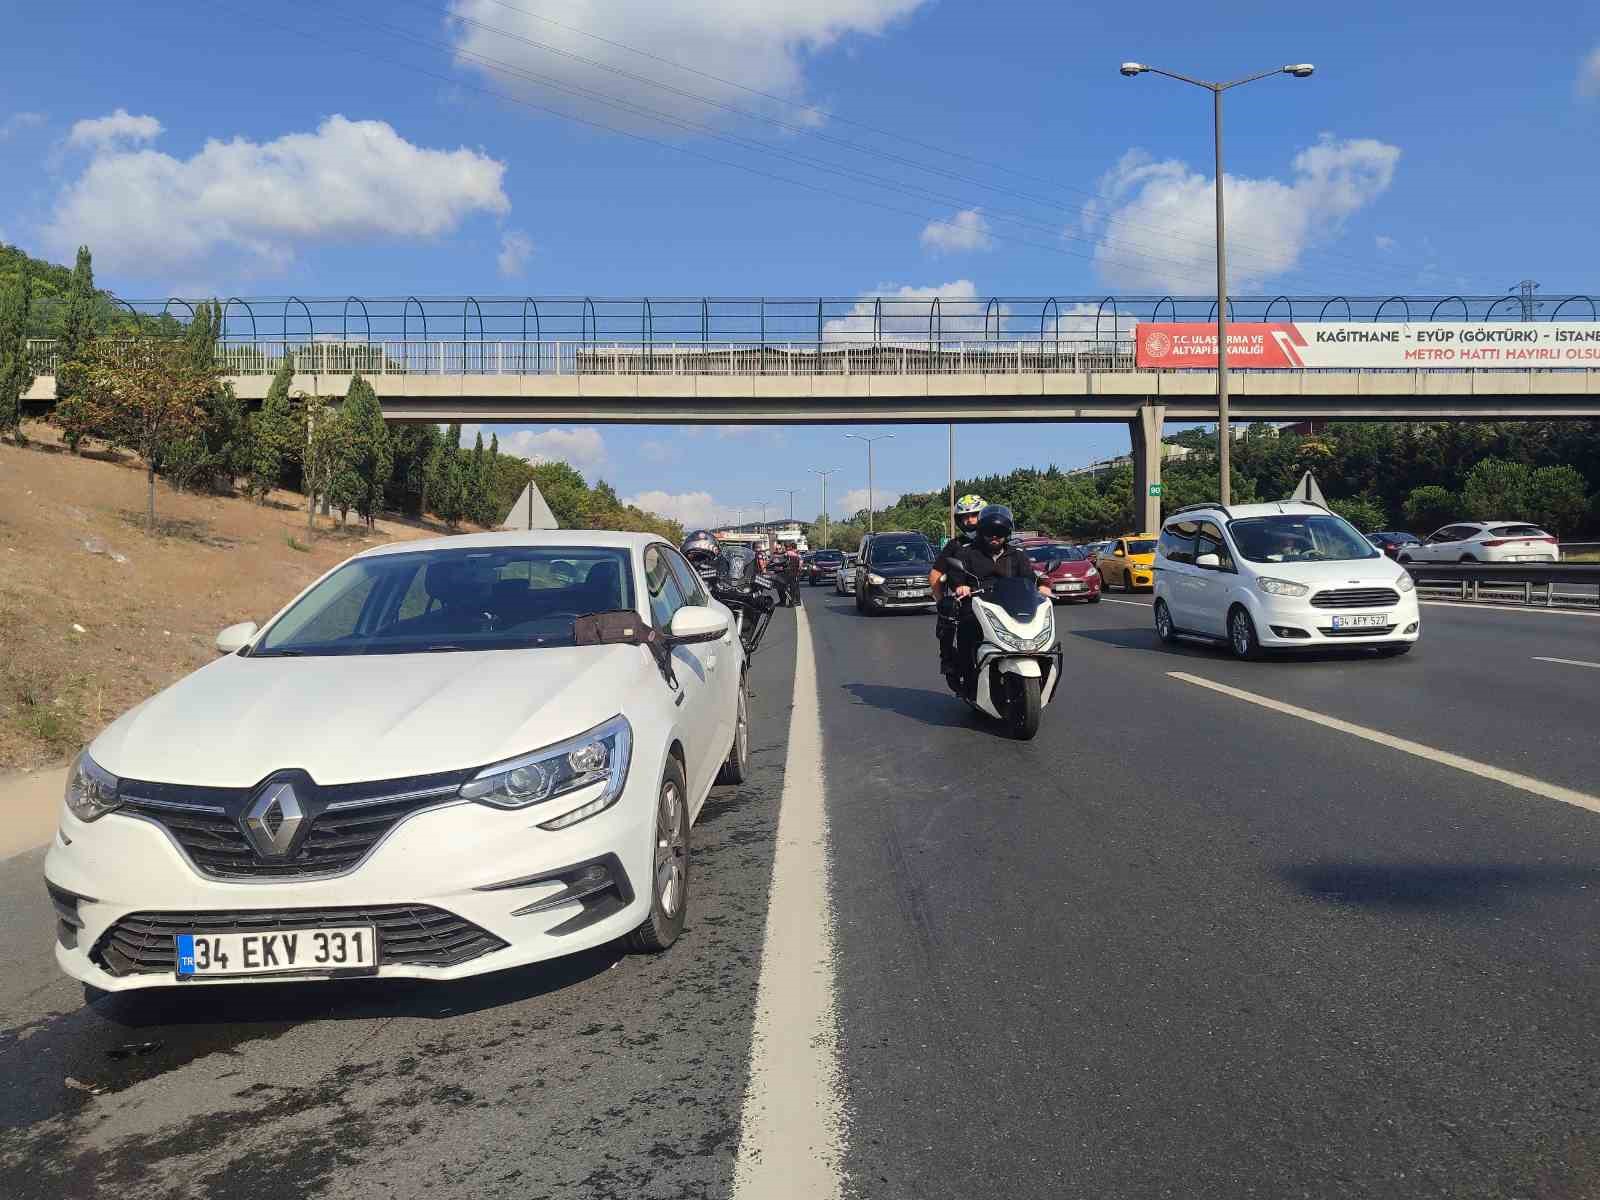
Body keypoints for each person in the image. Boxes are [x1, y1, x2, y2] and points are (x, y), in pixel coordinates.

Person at [939, 504, 1052, 687]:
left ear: (1006, 534)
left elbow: (1030, 578)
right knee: (966, 628)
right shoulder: (967, 553)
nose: (994, 537)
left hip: (1011, 607)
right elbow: (955, 575)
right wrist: (961, 586)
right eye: (990, 532)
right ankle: (969, 680)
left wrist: (1043, 587)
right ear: (981, 532)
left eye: (999, 532)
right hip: (978, 606)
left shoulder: (1017, 555)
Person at [931, 494, 987, 675]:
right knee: (947, 610)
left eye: (974, 515)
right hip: (967, 600)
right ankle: (948, 658)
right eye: (965, 517)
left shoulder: (995, 540)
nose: (970, 521)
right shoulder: (956, 545)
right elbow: (935, 574)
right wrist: (940, 599)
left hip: (998, 598)